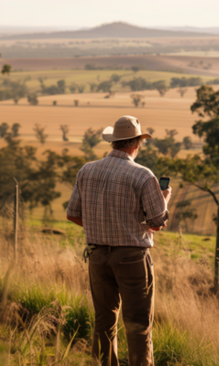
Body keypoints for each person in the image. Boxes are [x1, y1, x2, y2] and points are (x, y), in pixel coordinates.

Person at [66, 115, 171, 366]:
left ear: (114, 142)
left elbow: (73, 214)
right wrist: (165, 197)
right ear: (136, 143)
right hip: (132, 258)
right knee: (138, 325)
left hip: (97, 255)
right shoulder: (143, 175)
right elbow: (158, 222)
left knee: (104, 321)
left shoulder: (87, 170)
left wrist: (100, 229)